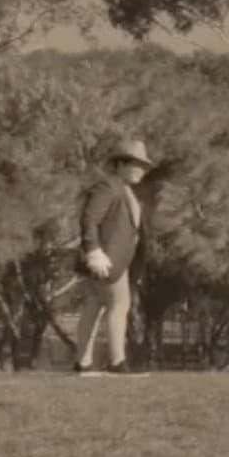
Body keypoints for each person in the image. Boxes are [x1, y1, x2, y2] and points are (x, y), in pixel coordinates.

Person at [74, 138, 153, 376]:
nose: (140, 170)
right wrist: (94, 251)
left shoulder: (124, 190)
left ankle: (83, 363)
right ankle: (117, 362)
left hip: (111, 260)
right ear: (119, 164)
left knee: (94, 305)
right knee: (119, 305)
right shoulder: (108, 186)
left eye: (143, 165)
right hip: (107, 260)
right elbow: (89, 218)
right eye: (134, 164)